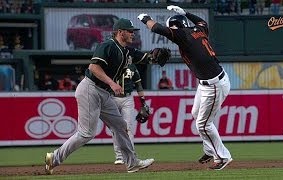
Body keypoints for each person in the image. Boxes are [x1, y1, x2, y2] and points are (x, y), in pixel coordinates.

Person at [44, 18, 155, 174]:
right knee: (86, 133)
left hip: (104, 93)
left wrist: (156, 55)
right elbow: (94, 67)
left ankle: (132, 163)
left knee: (120, 126)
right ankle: (53, 158)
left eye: (133, 31)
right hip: (90, 89)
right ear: (120, 32)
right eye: (130, 31)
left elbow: (146, 58)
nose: (132, 34)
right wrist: (112, 83)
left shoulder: (126, 50)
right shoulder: (107, 46)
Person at [138, 5, 233, 170]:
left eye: (171, 28)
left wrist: (145, 18)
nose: (170, 31)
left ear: (173, 26)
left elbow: (157, 28)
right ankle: (210, 150)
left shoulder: (182, 35)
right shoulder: (197, 30)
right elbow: (203, 22)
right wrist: (186, 13)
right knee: (196, 114)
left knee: (203, 124)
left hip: (214, 84)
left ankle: (223, 157)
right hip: (209, 81)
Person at [112, 63, 150, 165]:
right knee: (116, 128)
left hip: (128, 98)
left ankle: (131, 155)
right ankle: (119, 156)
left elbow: (138, 84)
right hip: (113, 98)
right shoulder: (112, 64)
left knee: (127, 128)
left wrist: (143, 102)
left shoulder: (132, 67)